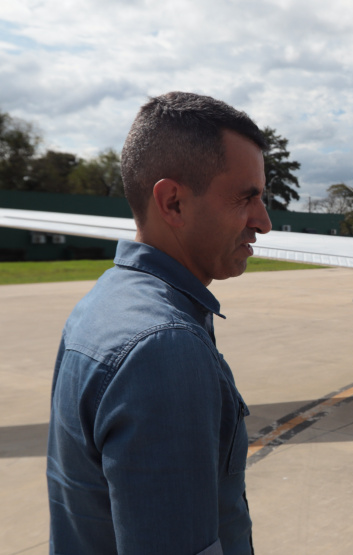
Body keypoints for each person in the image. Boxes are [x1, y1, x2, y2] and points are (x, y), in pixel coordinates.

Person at [46, 92, 271, 554]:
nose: (263, 222)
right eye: (246, 198)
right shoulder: (164, 347)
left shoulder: (103, 302)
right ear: (173, 203)